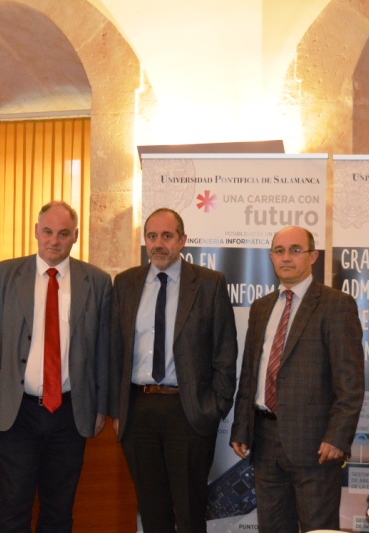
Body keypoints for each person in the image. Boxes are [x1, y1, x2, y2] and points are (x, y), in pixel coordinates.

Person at [0, 200, 112, 532]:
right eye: (47, 231)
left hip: (70, 413)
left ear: (75, 236)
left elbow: (105, 349)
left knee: (59, 511)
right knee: (13, 508)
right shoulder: (4, 275)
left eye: (63, 234)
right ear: (35, 231)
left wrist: (102, 405)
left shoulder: (97, 281)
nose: (54, 240)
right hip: (18, 412)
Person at [109, 207, 238, 533]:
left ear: (182, 240)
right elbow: (114, 351)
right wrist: (117, 409)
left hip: (188, 411)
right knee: (152, 512)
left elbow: (225, 353)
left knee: (190, 511)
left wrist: (214, 408)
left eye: (167, 236)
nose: (158, 244)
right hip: (138, 411)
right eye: (152, 236)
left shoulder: (208, 284)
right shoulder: (126, 283)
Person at [230, 225, 365, 532]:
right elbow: (251, 374)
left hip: (316, 445)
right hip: (263, 440)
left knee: (317, 527)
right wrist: (241, 427)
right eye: (279, 251)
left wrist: (337, 436)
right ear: (271, 258)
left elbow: (351, 383)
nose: (286, 258)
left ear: (312, 257)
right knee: (273, 526)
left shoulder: (335, 305)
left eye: (295, 250)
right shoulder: (261, 307)